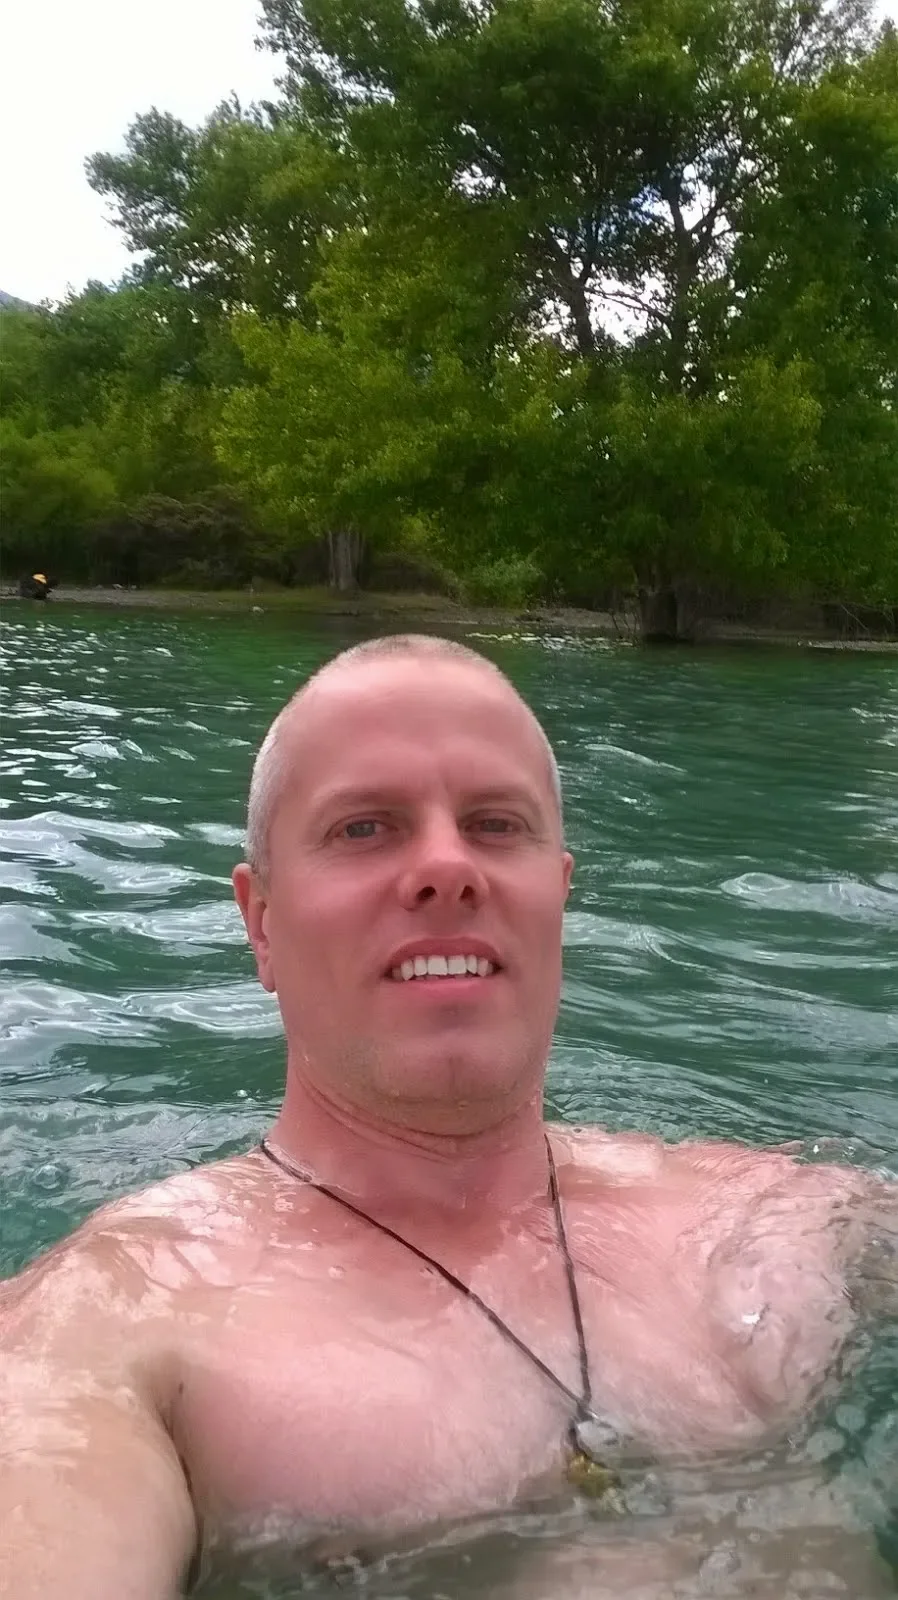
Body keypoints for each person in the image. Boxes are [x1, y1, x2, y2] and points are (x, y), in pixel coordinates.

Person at [1, 634, 894, 1600]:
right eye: (364, 828)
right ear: (260, 921)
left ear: (558, 892)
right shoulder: (115, 1328)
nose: (446, 866)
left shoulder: (777, 1220)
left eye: (495, 824)